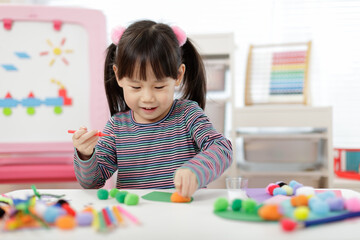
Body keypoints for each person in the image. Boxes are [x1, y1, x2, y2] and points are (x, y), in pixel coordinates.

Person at [72, 20, 232, 198]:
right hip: (135, 217)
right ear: (118, 76)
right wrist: (85, 155)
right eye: (136, 87)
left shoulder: (188, 115)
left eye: (159, 87)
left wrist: (196, 170)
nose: (148, 98)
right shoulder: (117, 127)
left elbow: (222, 148)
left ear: (178, 76)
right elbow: (92, 181)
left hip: (183, 215)